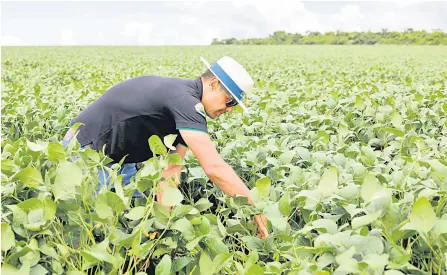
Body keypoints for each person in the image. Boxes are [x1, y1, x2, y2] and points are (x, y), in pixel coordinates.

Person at [62, 56, 269, 240]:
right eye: (230, 100)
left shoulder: (185, 104)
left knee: (130, 220)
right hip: (86, 150)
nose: (229, 110)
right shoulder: (185, 103)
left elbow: (171, 171)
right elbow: (214, 167)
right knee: (95, 231)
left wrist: (162, 225)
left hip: (120, 157)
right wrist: (253, 205)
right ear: (214, 83)